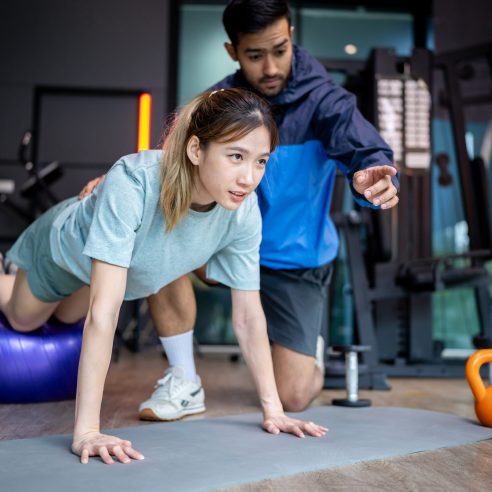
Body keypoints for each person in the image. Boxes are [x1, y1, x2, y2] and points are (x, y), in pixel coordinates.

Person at [80, 0, 399, 419]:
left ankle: (305, 350)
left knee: (294, 396)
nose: (269, 66)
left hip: (292, 260)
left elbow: (366, 152)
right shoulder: (219, 102)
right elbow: (167, 165)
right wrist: (118, 186)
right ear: (233, 51)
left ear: (291, 38)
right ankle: (184, 378)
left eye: (279, 50)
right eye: (254, 55)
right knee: (153, 240)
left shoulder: (326, 102)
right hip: (218, 245)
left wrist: (369, 176)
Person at [0, 88, 328, 465]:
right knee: (24, 317)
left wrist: (273, 410)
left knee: (66, 317)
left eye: (260, 161)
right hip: (60, 253)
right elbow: (104, 314)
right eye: (236, 156)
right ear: (195, 150)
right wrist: (87, 431)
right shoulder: (133, 182)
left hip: (99, 271)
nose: (249, 177)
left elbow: (248, 316)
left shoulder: (243, 211)